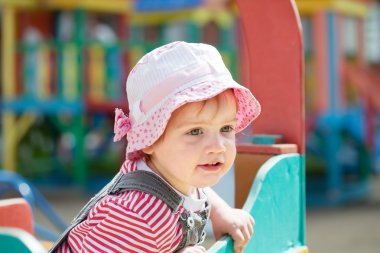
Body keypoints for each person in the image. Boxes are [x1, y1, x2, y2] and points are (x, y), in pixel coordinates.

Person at [51, 41, 261, 253]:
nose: (218, 146)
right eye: (195, 131)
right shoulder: (138, 217)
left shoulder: (177, 173)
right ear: (150, 140)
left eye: (226, 128)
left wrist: (221, 212)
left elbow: (196, 191)